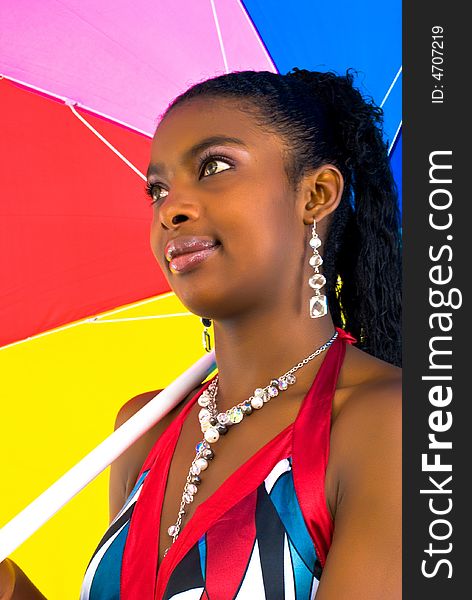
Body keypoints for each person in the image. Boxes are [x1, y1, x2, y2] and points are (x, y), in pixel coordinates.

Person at [0, 68, 402, 599]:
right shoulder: (143, 428)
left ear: (316, 195)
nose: (171, 208)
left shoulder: (393, 424)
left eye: (214, 166)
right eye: (157, 189)